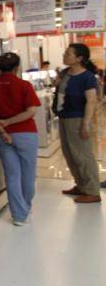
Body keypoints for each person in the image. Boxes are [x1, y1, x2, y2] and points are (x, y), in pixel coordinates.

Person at [0, 53, 41, 225]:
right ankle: (26, 208)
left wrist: (2, 130)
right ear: (17, 67)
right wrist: (10, 122)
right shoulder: (24, 85)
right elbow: (31, 111)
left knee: (12, 175)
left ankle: (19, 215)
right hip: (26, 134)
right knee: (28, 173)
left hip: (1, 136)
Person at [54, 43, 101, 203]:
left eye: (68, 54)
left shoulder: (87, 77)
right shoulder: (65, 73)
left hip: (78, 118)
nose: (64, 55)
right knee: (69, 154)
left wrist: (85, 124)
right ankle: (81, 185)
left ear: (79, 58)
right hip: (64, 117)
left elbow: (91, 101)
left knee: (82, 156)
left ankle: (92, 191)